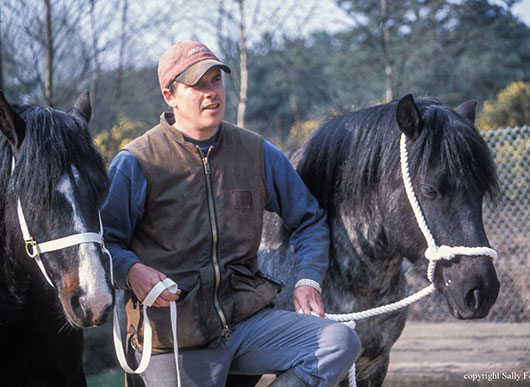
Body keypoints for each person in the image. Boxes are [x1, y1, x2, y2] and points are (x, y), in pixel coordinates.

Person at [102, 40, 361, 387]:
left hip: (246, 321)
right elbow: (104, 244)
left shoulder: (257, 152)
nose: (212, 92)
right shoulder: (137, 162)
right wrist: (131, 270)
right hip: (175, 336)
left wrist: (308, 279)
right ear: (170, 96)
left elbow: (309, 220)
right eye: (198, 84)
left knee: (339, 343)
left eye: (216, 81)